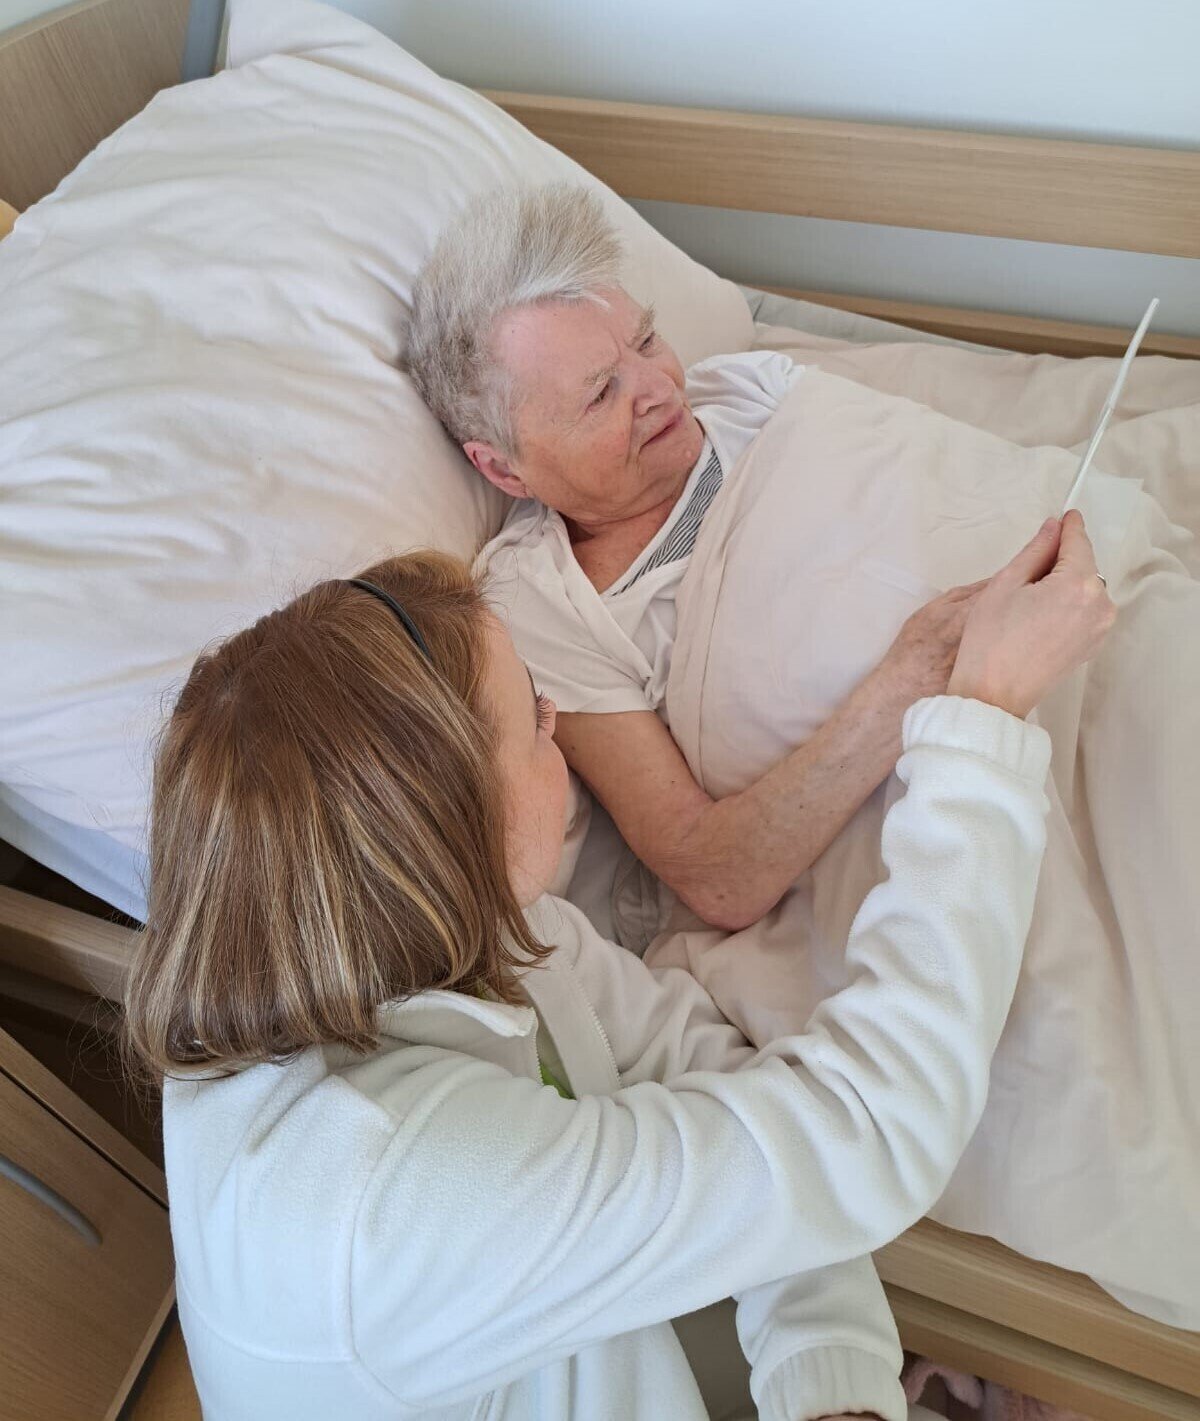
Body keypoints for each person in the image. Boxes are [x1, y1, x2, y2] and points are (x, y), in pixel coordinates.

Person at [124, 526, 1113, 1421]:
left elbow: (732, 1087)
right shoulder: (387, 1203)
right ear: (445, 836)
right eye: (531, 717)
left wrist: (829, 1375)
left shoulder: (477, 931)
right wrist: (983, 722)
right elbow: (868, 1124)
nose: (556, 717)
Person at [407, 183, 983, 934]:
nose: (659, 387)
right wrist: (916, 676)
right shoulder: (544, 604)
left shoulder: (749, 390)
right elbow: (713, 872)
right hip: (962, 749)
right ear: (504, 469)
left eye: (647, 341)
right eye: (600, 394)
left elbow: (955, 487)